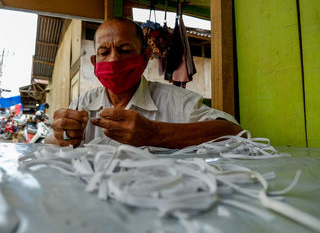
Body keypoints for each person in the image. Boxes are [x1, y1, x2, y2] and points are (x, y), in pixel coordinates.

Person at [47, 17, 242, 149]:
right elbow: (50, 144)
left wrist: (155, 133)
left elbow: (235, 133)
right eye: (104, 53)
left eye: (124, 50)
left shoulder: (174, 101)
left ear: (145, 56)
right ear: (94, 62)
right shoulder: (84, 105)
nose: (114, 60)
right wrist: (62, 135)